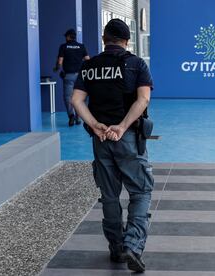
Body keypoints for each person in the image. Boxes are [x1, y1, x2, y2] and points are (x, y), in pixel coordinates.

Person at [71, 18, 154, 272]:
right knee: (140, 191)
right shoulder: (136, 64)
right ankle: (132, 245)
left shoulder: (90, 66)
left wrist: (96, 125)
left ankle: (116, 249)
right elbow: (143, 100)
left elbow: (76, 100)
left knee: (109, 195)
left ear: (104, 39)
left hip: (101, 140)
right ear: (127, 41)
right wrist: (123, 126)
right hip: (126, 138)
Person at [54, 28, 90, 126]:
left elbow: (60, 62)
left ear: (68, 37)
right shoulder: (81, 46)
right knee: (79, 97)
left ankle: (71, 115)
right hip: (80, 76)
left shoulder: (64, 46)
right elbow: (87, 60)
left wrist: (57, 68)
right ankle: (78, 117)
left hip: (68, 76)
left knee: (68, 97)